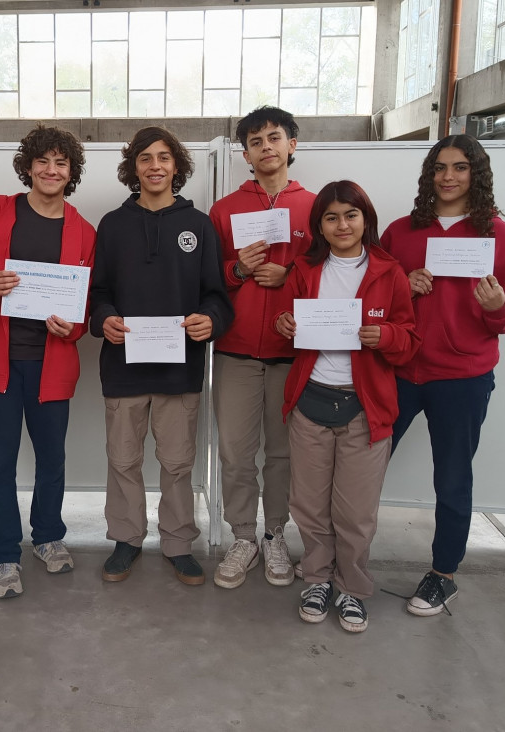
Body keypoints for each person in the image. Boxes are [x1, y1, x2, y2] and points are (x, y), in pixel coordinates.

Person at [381, 135, 505, 616]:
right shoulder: (400, 233)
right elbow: (373, 299)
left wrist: (497, 306)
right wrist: (403, 282)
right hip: (399, 370)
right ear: (428, 174)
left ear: (475, 175)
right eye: (440, 167)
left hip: (462, 378)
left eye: (459, 168)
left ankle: (443, 574)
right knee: (362, 467)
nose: (448, 176)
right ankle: (339, 554)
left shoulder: (499, 236)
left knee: (453, 477)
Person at [90, 126, 234, 586]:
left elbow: (217, 294)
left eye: (164, 157)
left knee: (177, 463)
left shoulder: (199, 225)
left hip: (180, 370)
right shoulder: (112, 225)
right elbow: (98, 292)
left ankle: (177, 542)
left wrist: (211, 319)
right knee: (124, 460)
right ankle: (127, 538)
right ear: (133, 167)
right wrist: (105, 318)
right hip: (123, 368)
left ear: (178, 166)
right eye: (145, 158)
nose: (155, 166)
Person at [0, 126, 96, 599]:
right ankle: (4, 554)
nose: (51, 170)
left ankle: (48, 536)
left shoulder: (83, 230)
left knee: (51, 458)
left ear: (71, 172)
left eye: (61, 163)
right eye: (43, 161)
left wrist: (72, 329)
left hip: (51, 364)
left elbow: (85, 302)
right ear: (29, 166)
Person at [274, 181, 419, 633]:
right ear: (320, 225)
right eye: (331, 217)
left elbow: (409, 340)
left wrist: (388, 337)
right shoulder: (305, 268)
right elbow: (289, 325)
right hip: (310, 402)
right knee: (310, 506)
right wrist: (285, 324)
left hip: (363, 408)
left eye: (351, 215)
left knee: (355, 512)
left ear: (365, 219)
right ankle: (317, 580)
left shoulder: (389, 272)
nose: (342, 224)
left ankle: (352, 588)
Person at [208, 106, 316, 589]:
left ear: (292, 144)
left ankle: (275, 534)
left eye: (275, 138)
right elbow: (205, 281)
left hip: (293, 351)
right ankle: (243, 536)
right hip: (234, 350)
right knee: (235, 452)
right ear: (245, 152)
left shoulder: (316, 207)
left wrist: (289, 277)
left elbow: (334, 277)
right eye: (256, 141)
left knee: (283, 453)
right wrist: (238, 271)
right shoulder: (225, 210)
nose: (266, 147)